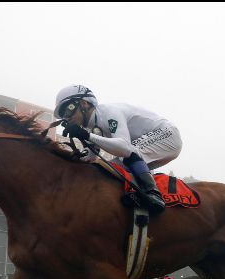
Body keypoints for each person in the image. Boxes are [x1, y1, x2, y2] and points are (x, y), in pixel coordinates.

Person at [54, 84, 182, 214]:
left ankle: (153, 195)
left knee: (125, 155)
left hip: (167, 134)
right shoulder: (92, 126)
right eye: (63, 115)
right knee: (108, 168)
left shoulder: (109, 112)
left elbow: (124, 148)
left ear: (84, 104)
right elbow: (91, 157)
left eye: (68, 110)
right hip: (146, 143)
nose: (67, 117)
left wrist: (86, 135)